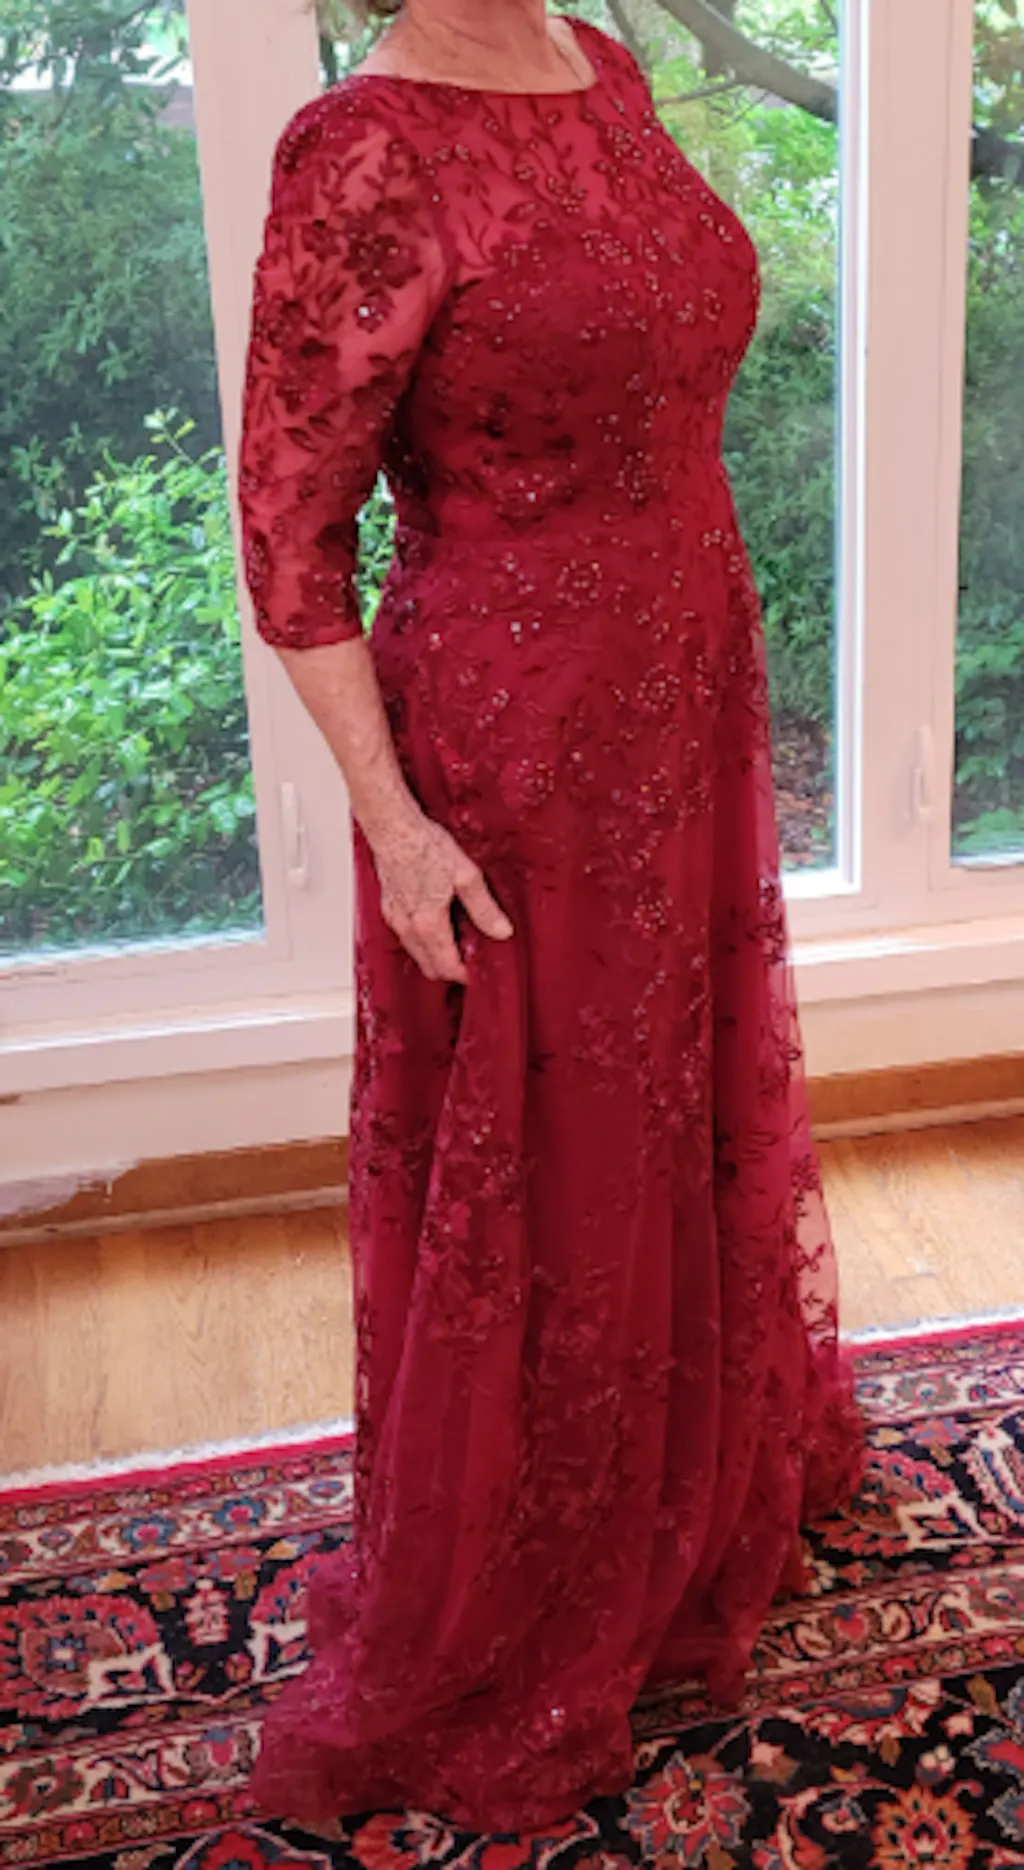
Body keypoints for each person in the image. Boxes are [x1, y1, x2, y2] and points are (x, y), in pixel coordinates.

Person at [237, 0, 865, 1837]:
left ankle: (684, 1483)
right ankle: (538, 1571)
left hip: (682, 690)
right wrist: (396, 824)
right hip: (514, 742)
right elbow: (288, 538)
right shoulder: (361, 147)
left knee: (670, 1102)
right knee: (559, 1145)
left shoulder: (601, 57)